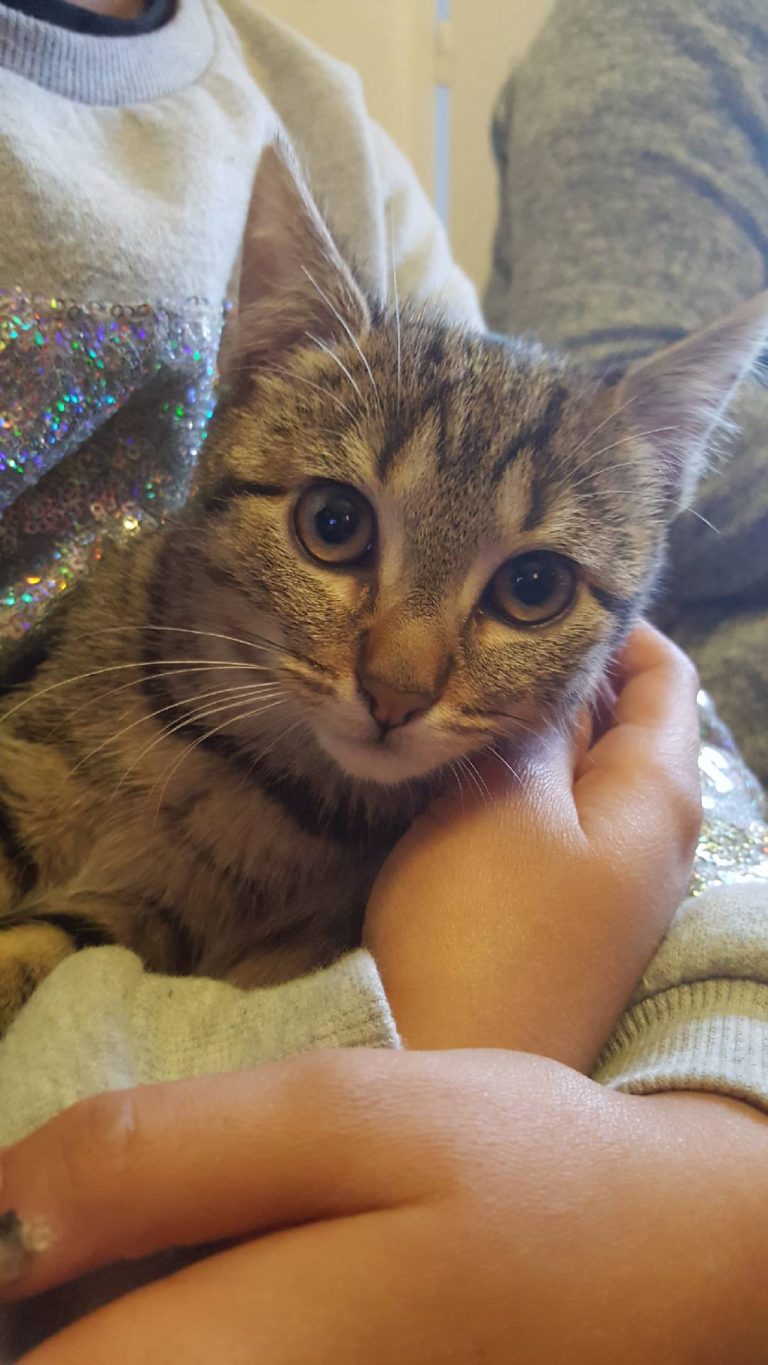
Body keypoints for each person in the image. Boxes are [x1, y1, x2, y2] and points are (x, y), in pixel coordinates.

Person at [1, 0, 768, 1358]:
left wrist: (722, 1166)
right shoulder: (116, 674)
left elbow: (698, 831)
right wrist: (447, 1038)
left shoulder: (318, 121)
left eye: (528, 591)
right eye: (337, 527)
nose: (402, 677)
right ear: (247, 384)